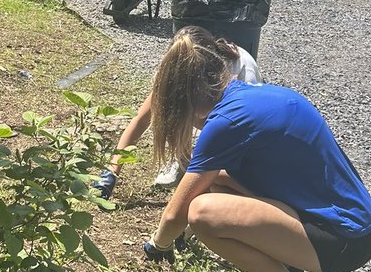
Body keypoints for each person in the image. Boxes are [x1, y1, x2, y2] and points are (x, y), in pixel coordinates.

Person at [142, 30, 371, 272]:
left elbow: (176, 213)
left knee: (202, 213)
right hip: (354, 227)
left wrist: (158, 246)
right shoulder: (261, 96)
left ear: (189, 100)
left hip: (344, 241)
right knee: (217, 183)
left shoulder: (224, 122)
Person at [94, 27, 262, 200]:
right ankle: (183, 160)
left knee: (217, 181)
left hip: (240, 131)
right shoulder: (174, 68)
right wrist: (111, 171)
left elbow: (248, 131)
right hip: (211, 118)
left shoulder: (241, 69)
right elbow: (141, 121)